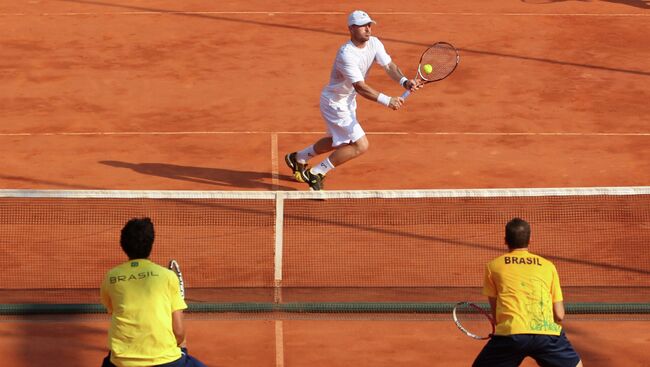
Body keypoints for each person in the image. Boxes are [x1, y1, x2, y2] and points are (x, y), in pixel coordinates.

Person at [285, 10, 422, 190]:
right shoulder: (346, 55)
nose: (368, 29)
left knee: (341, 142)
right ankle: (316, 172)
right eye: (363, 26)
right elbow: (360, 86)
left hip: (348, 101)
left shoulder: (374, 43)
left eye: (369, 25)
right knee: (360, 145)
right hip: (335, 103)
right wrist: (387, 100)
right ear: (351, 28)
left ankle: (298, 158)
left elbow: (389, 66)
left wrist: (405, 82)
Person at [473, 218, 582, 367]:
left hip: (511, 334)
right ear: (530, 240)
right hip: (547, 334)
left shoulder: (493, 266)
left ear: (505, 240)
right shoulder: (548, 266)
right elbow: (559, 315)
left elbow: (496, 314)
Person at [100, 217, 207, 367]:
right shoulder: (168, 277)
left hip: (122, 363)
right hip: (167, 361)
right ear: (151, 243)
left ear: (122, 245)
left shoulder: (110, 277)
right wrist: (181, 345)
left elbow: (117, 312)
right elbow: (179, 331)